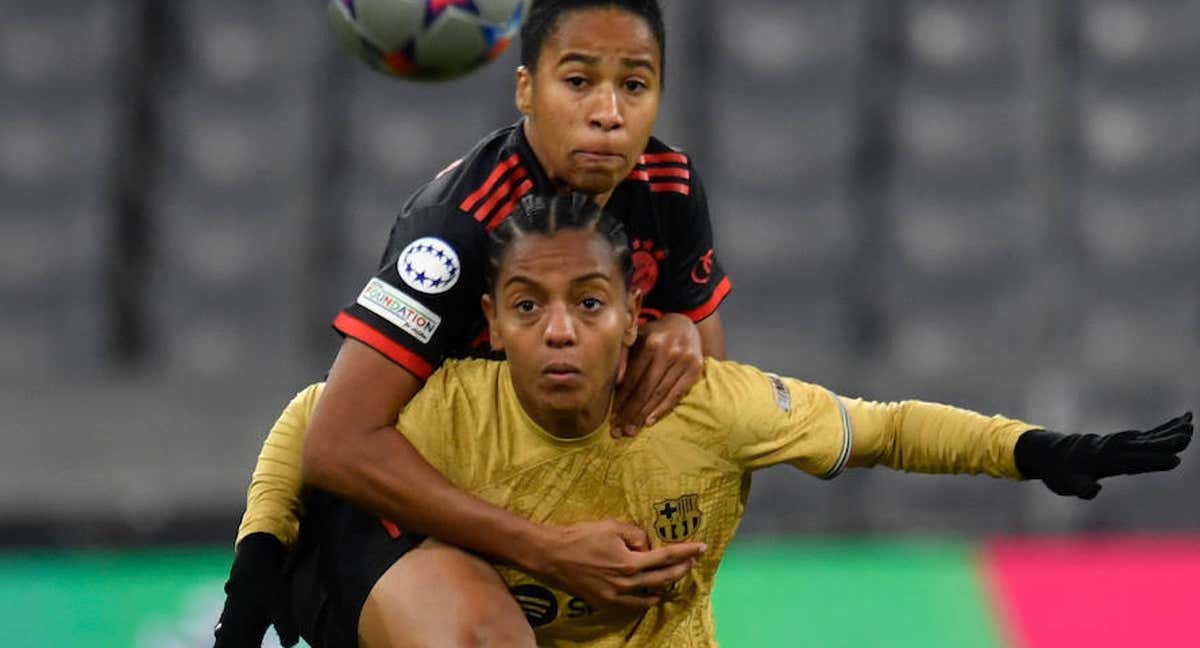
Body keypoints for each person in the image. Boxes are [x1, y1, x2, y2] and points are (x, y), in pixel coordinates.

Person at [279, 193, 1192, 647]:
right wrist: (254, 566)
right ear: (491, 322)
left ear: (636, 314)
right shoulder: (444, 416)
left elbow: (886, 429)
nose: (559, 331)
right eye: (528, 306)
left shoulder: (711, 407)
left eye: (588, 304)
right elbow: (312, 430)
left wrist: (1037, 450)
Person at [214, 1, 731, 645]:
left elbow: (717, 416)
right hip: (404, 521)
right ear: (525, 89)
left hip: (550, 505)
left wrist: (683, 326)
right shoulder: (457, 230)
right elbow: (337, 443)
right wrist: (545, 550)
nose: (608, 113)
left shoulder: (671, 189)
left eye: (634, 84)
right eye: (577, 82)